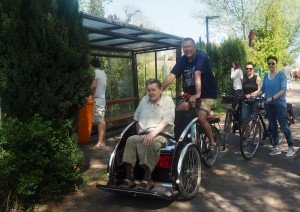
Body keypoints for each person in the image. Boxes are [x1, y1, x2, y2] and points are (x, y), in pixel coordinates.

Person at [162, 37, 218, 149]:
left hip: (207, 95)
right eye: (185, 47)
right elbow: (172, 75)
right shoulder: (183, 60)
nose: (187, 49)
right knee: (176, 113)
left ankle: (212, 142)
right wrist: (160, 90)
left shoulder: (201, 57)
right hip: (191, 96)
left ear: (195, 47)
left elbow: (197, 74)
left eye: (189, 46)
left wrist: (197, 94)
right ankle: (177, 139)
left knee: (201, 118)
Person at [121, 78, 175, 189]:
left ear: (161, 89)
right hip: (144, 133)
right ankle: (129, 178)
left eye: (154, 90)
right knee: (130, 140)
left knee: (150, 141)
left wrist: (152, 134)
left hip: (163, 134)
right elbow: (136, 120)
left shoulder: (168, 100)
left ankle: (147, 179)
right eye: (149, 90)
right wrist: (140, 134)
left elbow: (166, 121)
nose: (151, 93)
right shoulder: (144, 100)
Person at [252, 56, 295, 157]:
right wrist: (252, 95)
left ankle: (291, 147)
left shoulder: (281, 75)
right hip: (269, 105)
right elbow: (262, 90)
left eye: (273, 63)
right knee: (272, 126)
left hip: (279, 104)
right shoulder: (266, 76)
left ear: (276, 64)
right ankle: (276, 147)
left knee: (284, 126)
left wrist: (272, 97)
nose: (271, 65)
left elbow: (283, 90)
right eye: (269, 63)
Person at [91, 57, 107, 149]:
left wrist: (91, 96)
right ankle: (102, 142)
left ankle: (99, 143)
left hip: (97, 100)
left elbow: (94, 86)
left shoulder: (95, 73)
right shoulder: (103, 73)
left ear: (92, 66)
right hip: (102, 99)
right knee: (101, 120)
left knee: (100, 121)